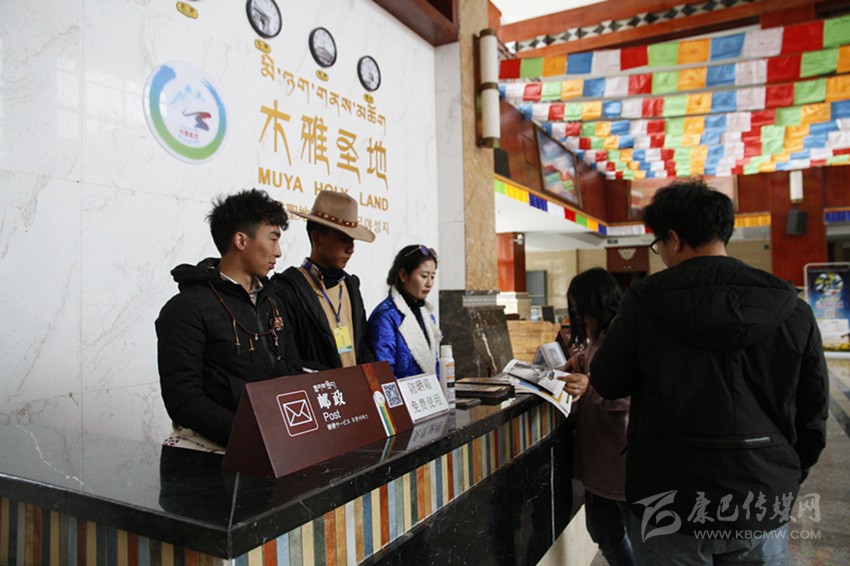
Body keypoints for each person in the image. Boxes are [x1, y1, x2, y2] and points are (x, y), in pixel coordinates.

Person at [590, 180, 829, 564]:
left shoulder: (644, 302)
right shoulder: (791, 307)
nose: (661, 254)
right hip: (760, 496)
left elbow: (607, 380)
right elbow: (813, 413)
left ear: (673, 238)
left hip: (668, 501)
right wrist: (782, 473)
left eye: (658, 245)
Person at [156, 188, 302, 449]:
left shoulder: (273, 302)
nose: (278, 252)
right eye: (272, 239)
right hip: (211, 450)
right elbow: (184, 401)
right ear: (241, 240)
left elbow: (293, 371)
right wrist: (254, 436)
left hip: (275, 442)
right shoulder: (186, 309)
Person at [564, 268, 634, 566]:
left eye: (583, 311)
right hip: (599, 465)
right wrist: (580, 362)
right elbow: (597, 365)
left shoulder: (623, 337)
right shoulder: (598, 338)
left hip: (621, 464)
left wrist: (590, 386)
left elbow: (630, 393)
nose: (581, 319)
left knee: (634, 537)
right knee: (603, 533)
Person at [274, 190, 376, 370]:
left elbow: (363, 344)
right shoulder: (287, 289)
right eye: (343, 239)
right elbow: (290, 358)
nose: (351, 249)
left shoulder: (351, 285)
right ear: (317, 238)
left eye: (353, 241)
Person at [368, 245, 441, 379]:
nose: (429, 283)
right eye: (424, 276)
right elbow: (385, 373)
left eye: (432, 276)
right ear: (403, 275)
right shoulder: (385, 316)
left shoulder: (427, 315)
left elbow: (434, 364)